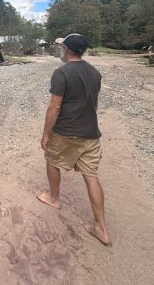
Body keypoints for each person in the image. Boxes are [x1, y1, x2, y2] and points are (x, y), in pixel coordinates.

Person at [35, 33, 111, 247]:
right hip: (91, 134)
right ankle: (101, 229)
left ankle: (54, 199)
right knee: (91, 176)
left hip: (66, 131)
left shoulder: (61, 73)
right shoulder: (94, 72)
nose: (60, 50)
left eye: (62, 47)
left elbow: (55, 107)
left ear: (66, 49)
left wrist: (46, 134)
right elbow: (93, 105)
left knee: (51, 160)